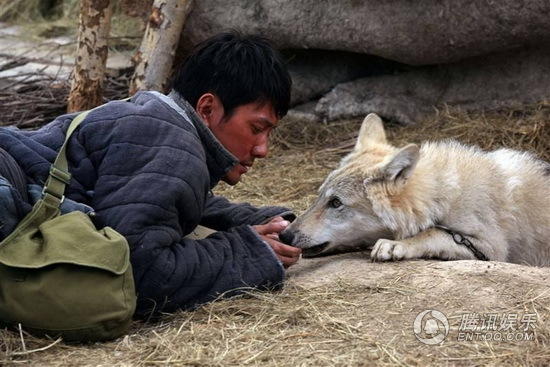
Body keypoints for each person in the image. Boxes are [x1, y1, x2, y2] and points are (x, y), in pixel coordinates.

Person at [0, 31, 302, 317]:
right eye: (257, 128)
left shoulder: (158, 120)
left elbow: (160, 197)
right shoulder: (172, 144)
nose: (263, 149)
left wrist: (252, 219)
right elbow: (140, 272)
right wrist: (247, 252)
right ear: (207, 109)